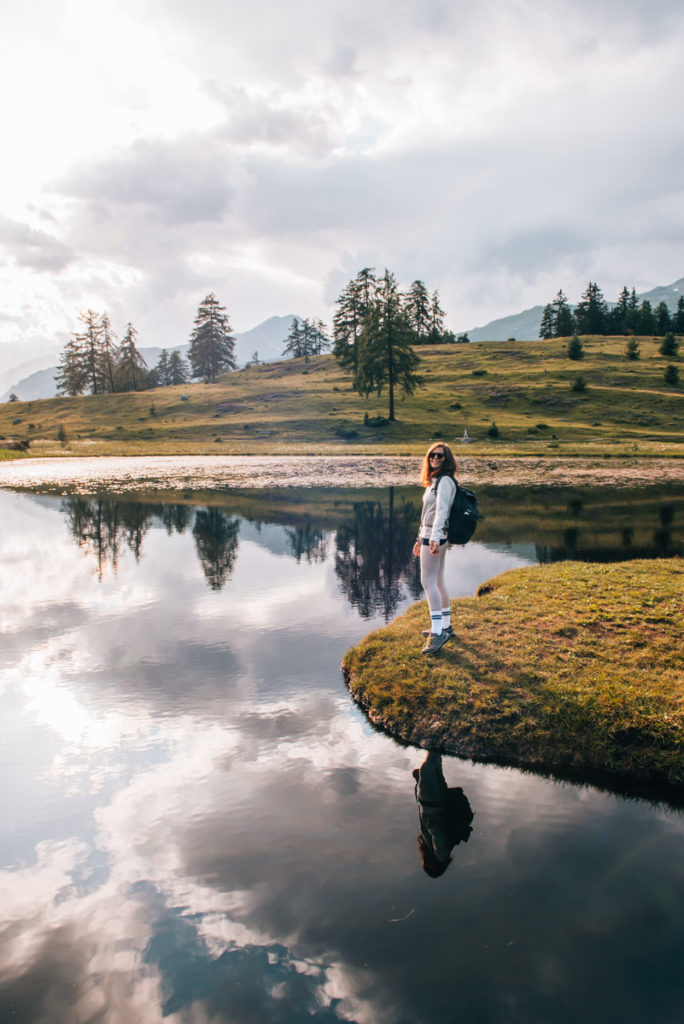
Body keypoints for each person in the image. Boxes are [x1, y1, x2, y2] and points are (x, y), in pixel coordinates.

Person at [412, 441, 457, 655]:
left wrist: (434, 539)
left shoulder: (445, 481)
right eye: (432, 455)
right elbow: (426, 514)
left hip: (434, 535)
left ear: (447, 459)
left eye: (440, 456)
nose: (435, 459)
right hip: (429, 534)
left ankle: (438, 632)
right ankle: (445, 625)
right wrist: (419, 538)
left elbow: (441, 513)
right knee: (437, 580)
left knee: (427, 581)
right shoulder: (435, 481)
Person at [413, 751, 474, 877]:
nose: (424, 862)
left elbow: (421, 817)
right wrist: (434, 828)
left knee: (435, 768)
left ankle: (439, 742)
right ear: (433, 866)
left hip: (433, 801)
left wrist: (418, 783)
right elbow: (440, 841)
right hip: (432, 803)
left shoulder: (432, 851)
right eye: (427, 865)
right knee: (427, 770)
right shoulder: (441, 856)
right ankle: (435, 743)